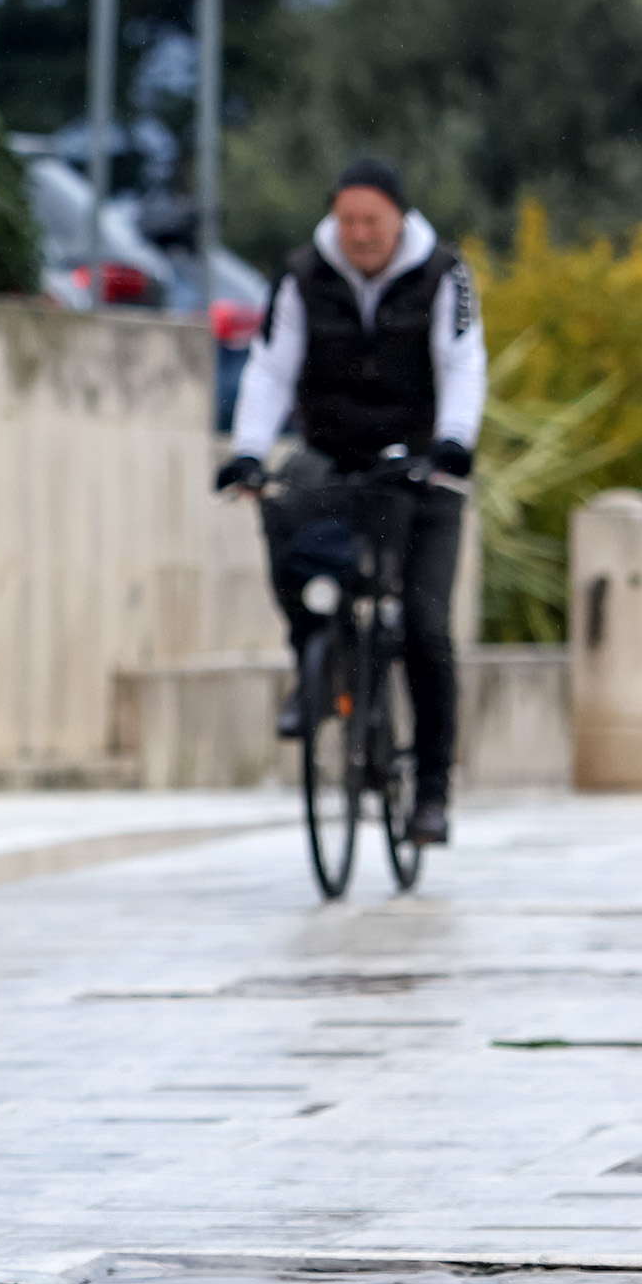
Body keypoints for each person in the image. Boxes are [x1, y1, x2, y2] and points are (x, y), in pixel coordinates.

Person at [215, 157, 484, 847]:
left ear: (399, 218)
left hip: (420, 463)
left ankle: (429, 790)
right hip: (335, 452)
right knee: (281, 509)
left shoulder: (442, 273)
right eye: (348, 220)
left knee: (424, 624)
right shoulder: (304, 274)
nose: (360, 233)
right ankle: (316, 655)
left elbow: (462, 363)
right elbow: (271, 364)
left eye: (373, 220)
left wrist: (453, 444)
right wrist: (248, 450)